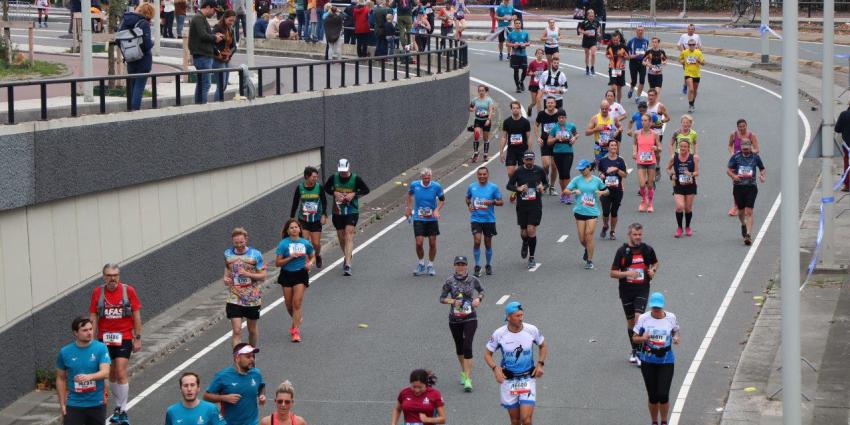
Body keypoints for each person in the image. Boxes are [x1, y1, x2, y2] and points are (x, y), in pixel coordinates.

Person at [88, 264, 142, 425]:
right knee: (110, 374)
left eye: (115, 275)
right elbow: (93, 316)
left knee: (120, 371)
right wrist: (91, 339)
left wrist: (137, 338)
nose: (112, 278)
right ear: (104, 277)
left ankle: (123, 410)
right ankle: (118, 407)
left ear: (119, 276)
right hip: (104, 339)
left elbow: (136, 315)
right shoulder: (98, 292)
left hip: (124, 337)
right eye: (109, 275)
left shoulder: (128, 291)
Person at [484, 301, 547, 425]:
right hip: (509, 380)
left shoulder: (531, 330)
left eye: (522, 315)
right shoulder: (499, 334)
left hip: (527, 378)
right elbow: (487, 354)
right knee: (515, 420)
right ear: (508, 317)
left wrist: (540, 364)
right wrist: (495, 369)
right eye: (517, 316)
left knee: (526, 420)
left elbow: (543, 345)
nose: (521, 318)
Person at [610, 222, 659, 365]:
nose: (638, 237)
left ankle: (641, 352)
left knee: (639, 318)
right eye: (635, 234)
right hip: (626, 291)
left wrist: (653, 270)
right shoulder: (622, 252)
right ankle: (635, 350)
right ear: (629, 235)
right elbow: (612, 273)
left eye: (640, 234)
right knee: (631, 322)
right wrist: (627, 274)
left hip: (642, 288)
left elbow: (656, 263)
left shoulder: (647, 249)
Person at [632, 292, 680, 425]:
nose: (656, 310)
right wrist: (643, 338)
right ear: (650, 306)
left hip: (666, 360)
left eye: (658, 307)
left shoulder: (671, 317)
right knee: (653, 396)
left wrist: (676, 337)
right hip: (648, 360)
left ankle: (664, 421)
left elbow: (675, 330)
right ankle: (654, 422)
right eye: (654, 307)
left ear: (662, 306)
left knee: (663, 395)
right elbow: (634, 338)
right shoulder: (643, 318)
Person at [440, 256, 484, 392]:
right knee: (459, 347)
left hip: (470, 317)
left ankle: (468, 379)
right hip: (455, 318)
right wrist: (453, 301)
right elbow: (442, 298)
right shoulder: (449, 281)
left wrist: (478, 299)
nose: (460, 267)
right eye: (458, 264)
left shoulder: (473, 279)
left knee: (467, 346)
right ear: (454, 266)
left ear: (466, 266)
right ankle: (464, 371)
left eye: (463, 264)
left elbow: (482, 291)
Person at [56, 317, 111, 425]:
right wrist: (62, 404)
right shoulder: (65, 352)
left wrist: (89, 377)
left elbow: (105, 372)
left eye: (91, 329)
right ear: (76, 333)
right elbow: (60, 378)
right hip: (74, 404)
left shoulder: (101, 348)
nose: (89, 333)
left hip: (97, 403)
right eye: (85, 330)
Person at [324, 158, 370, 276]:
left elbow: (366, 190)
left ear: (349, 168)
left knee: (348, 235)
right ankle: (347, 255)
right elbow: (326, 188)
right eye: (341, 171)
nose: (343, 173)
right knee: (341, 237)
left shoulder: (356, 179)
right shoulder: (333, 178)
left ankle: (348, 264)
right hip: (337, 212)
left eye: (345, 170)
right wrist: (334, 192)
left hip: (351, 211)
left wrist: (354, 194)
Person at [223, 227, 267, 349]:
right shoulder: (228, 253)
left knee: (251, 330)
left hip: (252, 298)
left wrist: (248, 274)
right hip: (234, 297)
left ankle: (250, 354)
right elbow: (227, 271)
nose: (239, 245)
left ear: (246, 239)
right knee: (237, 331)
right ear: (232, 241)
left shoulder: (256, 254)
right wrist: (226, 279)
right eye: (236, 243)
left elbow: (263, 276)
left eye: (241, 242)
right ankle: (237, 358)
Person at [204, 344, 266, 425]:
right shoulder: (223, 376)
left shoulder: (256, 373)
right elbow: (206, 396)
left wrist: (262, 395)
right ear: (237, 358)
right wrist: (224, 398)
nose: (252, 359)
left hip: (252, 422)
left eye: (253, 356)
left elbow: (261, 386)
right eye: (248, 356)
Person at [275, 219, 315, 342]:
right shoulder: (283, 244)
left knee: (296, 303)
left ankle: (295, 331)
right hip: (287, 274)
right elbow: (277, 263)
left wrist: (310, 263)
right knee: (289, 305)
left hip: (300, 274)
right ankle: (297, 318)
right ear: (287, 231)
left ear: (299, 229)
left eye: (296, 227)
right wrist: (290, 257)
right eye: (291, 228)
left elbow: (312, 255)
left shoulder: (305, 243)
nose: (294, 229)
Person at [506, 151, 547, 269]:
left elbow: (546, 183)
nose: (529, 161)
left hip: (535, 205)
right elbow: (509, 185)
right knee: (524, 232)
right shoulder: (518, 171)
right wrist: (518, 188)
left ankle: (531, 257)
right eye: (527, 159)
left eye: (531, 159)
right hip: (522, 205)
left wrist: (542, 187)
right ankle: (525, 242)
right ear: (523, 160)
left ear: (534, 160)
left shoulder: (539, 170)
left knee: (531, 229)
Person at [566, 159, 608, 269]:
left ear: (589, 167)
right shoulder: (576, 180)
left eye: (583, 169)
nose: (581, 171)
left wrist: (601, 192)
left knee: (589, 235)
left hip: (592, 211)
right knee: (582, 239)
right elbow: (565, 191)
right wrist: (573, 191)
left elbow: (607, 190)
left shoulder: (596, 180)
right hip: (580, 211)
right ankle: (587, 248)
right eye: (580, 170)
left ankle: (589, 261)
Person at [406, 168, 446, 276]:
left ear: (431, 177)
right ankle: (421, 264)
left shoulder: (436, 186)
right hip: (418, 218)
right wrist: (408, 208)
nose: (427, 180)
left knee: (432, 243)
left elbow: (442, 200)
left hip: (432, 219)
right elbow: (409, 195)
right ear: (421, 178)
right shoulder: (415, 185)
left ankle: (430, 265)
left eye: (428, 178)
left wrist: (436, 210)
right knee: (419, 243)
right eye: (425, 178)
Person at [727, 140, 766, 246]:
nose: (745, 150)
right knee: (741, 211)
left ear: (750, 147)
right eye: (743, 149)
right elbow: (728, 170)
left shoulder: (755, 157)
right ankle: (743, 224)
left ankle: (748, 235)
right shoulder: (736, 157)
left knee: (749, 211)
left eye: (747, 148)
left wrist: (762, 175)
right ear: (741, 148)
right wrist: (734, 176)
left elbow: (762, 168)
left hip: (751, 187)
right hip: (738, 187)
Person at [466, 166, 503, 277]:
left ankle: (488, 265)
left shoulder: (493, 187)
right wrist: (469, 205)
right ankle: (477, 266)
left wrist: (492, 202)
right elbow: (467, 198)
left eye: (484, 174)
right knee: (477, 241)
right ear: (477, 175)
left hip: (489, 220)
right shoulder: (472, 187)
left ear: (488, 175)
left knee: (487, 243)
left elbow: (501, 202)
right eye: (480, 174)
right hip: (476, 219)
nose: (482, 176)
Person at [289, 166, 327, 268]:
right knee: (303, 243)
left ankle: (317, 255)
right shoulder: (300, 188)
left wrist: (324, 214)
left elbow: (324, 201)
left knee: (316, 244)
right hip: (303, 220)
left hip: (316, 219)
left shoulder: (319, 187)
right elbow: (295, 203)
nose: (315, 179)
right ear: (307, 176)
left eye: (316, 177)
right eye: (313, 177)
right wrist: (292, 218)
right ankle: (305, 264)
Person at [119, 3, 154, 111]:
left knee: (132, 85)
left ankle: (129, 108)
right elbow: (147, 44)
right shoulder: (144, 23)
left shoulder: (126, 21)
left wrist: (127, 51)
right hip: (143, 60)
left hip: (130, 57)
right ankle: (134, 110)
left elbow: (118, 39)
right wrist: (152, 43)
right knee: (139, 86)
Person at [189, 0, 223, 104]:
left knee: (201, 83)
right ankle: (202, 106)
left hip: (202, 55)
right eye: (214, 10)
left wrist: (214, 36)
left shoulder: (200, 17)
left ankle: (198, 106)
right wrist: (215, 38)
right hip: (202, 55)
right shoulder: (199, 18)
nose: (214, 13)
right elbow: (203, 35)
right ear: (208, 7)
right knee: (205, 84)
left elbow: (203, 35)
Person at [727, 119, 762, 215]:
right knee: (736, 183)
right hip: (737, 162)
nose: (742, 128)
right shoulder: (733, 134)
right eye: (740, 126)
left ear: (746, 126)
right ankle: (735, 206)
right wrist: (732, 153)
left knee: (748, 184)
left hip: (748, 162)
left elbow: (757, 149)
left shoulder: (751, 135)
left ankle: (747, 205)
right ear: (737, 127)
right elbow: (729, 145)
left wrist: (748, 150)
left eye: (744, 126)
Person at [668, 139, 699, 237]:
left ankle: (688, 227)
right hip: (678, 185)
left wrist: (691, 174)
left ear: (688, 148)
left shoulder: (693, 158)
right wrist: (672, 175)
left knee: (688, 209)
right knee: (679, 207)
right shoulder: (674, 158)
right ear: (678, 147)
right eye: (681, 146)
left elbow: (697, 172)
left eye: (685, 146)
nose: (683, 148)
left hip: (690, 186)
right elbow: (668, 169)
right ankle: (679, 228)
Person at [547, 107, 577, 204]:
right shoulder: (554, 128)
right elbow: (548, 142)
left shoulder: (571, 126)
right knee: (561, 174)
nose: (561, 119)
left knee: (566, 173)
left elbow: (576, 134)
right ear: (557, 118)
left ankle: (567, 195)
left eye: (563, 117)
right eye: (559, 118)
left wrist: (574, 138)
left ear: (565, 117)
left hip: (568, 152)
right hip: (557, 153)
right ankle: (564, 193)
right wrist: (555, 139)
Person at [500, 100, 532, 191]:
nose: (515, 110)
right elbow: (504, 137)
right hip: (511, 150)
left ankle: (521, 188)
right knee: (510, 172)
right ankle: (514, 187)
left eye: (517, 108)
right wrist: (501, 152)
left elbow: (529, 137)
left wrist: (529, 151)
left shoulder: (525, 122)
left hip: (523, 150)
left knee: (522, 172)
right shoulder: (507, 122)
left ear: (520, 109)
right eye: (513, 108)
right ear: (511, 109)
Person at [598, 140, 627, 240]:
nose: (614, 147)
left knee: (614, 212)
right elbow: (600, 172)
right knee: (606, 211)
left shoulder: (620, 160)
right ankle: (605, 225)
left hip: (617, 190)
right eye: (612, 145)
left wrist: (617, 170)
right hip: (605, 190)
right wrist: (601, 175)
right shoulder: (603, 160)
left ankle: (612, 231)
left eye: (615, 145)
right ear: (608, 147)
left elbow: (625, 175)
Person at [633, 113, 662, 213]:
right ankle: (643, 201)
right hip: (641, 161)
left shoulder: (654, 134)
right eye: (642, 120)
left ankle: (650, 203)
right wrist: (634, 152)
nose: (643, 122)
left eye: (645, 120)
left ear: (650, 122)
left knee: (650, 185)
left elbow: (660, 147)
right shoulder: (637, 133)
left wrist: (656, 148)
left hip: (651, 161)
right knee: (642, 184)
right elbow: (634, 144)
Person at [534, 96, 559, 195]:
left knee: (554, 166)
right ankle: (545, 180)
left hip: (556, 142)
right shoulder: (541, 114)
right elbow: (536, 125)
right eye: (548, 103)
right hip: (544, 142)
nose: (550, 104)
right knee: (545, 165)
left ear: (555, 104)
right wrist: (538, 137)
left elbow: (563, 125)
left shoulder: (559, 113)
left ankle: (552, 187)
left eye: (552, 103)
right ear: (546, 104)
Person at [585, 100, 620, 167]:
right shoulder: (595, 118)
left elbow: (620, 127)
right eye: (602, 109)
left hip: (610, 147)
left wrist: (618, 130)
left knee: (612, 166)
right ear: (600, 108)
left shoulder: (613, 118)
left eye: (606, 109)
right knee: (600, 167)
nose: (604, 110)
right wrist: (595, 129)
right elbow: (586, 132)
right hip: (599, 148)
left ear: (609, 108)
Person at [212, 10, 237, 102]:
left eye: (233, 21)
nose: (231, 22)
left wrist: (230, 54)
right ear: (225, 18)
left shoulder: (231, 29)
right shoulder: (217, 27)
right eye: (230, 20)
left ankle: (218, 102)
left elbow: (234, 46)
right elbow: (211, 43)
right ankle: (217, 104)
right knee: (221, 85)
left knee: (224, 85)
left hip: (227, 58)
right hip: (218, 59)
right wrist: (218, 53)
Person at [469, 85, 495, 163]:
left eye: (482, 90)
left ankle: (485, 154)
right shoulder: (475, 100)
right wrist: (472, 109)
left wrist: (488, 119)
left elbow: (491, 110)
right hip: (478, 120)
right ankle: (476, 154)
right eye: (479, 91)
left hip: (486, 120)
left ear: (485, 91)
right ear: (478, 91)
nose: (481, 92)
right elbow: (470, 107)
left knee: (485, 138)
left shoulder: (489, 100)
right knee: (476, 135)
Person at [679, 39, 704, 113]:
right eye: (690, 45)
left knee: (695, 91)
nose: (691, 46)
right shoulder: (684, 52)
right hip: (688, 73)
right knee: (691, 89)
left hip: (696, 74)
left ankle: (692, 103)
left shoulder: (698, 52)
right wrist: (683, 61)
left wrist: (698, 60)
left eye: (693, 44)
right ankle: (690, 105)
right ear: (688, 45)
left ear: (695, 45)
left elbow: (703, 63)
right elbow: (680, 60)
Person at [676, 23, 702, 95]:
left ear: (694, 30)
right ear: (687, 29)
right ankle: (686, 85)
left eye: (692, 29)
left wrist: (698, 53)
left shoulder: (697, 36)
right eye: (689, 29)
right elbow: (679, 45)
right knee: (687, 72)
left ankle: (691, 86)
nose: (691, 30)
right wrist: (683, 52)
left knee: (694, 72)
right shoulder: (683, 36)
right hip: (687, 57)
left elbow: (699, 46)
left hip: (694, 56)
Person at [625, 26, 649, 101]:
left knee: (642, 80)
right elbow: (626, 52)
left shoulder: (646, 41)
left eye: (642, 30)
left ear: (644, 31)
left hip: (642, 63)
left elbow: (646, 52)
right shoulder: (631, 41)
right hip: (633, 62)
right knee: (634, 81)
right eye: (639, 30)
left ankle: (638, 97)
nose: (640, 32)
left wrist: (646, 60)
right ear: (636, 31)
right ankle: (632, 88)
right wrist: (630, 56)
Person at [506, 19, 530, 93]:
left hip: (523, 54)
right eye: (516, 23)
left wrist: (524, 44)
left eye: (519, 23)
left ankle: (521, 81)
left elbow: (528, 42)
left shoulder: (525, 33)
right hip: (515, 55)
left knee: (525, 69)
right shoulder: (511, 34)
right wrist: (514, 45)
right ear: (514, 24)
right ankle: (517, 86)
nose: (518, 24)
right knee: (516, 71)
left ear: (521, 24)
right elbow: (507, 43)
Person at [605, 31, 628, 103]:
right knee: (613, 87)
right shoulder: (610, 46)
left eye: (616, 40)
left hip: (621, 69)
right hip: (612, 68)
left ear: (619, 39)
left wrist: (623, 55)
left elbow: (628, 57)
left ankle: (619, 103)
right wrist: (609, 56)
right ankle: (613, 103)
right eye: (614, 40)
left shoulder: (623, 47)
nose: (615, 41)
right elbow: (606, 54)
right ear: (612, 39)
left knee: (619, 88)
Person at [577, 9, 600, 76]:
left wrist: (598, 32)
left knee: (593, 54)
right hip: (586, 40)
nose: (591, 17)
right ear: (587, 16)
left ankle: (592, 67)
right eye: (590, 16)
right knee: (587, 55)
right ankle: (587, 67)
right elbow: (579, 29)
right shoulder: (584, 22)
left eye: (592, 16)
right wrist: (585, 32)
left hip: (593, 40)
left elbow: (598, 27)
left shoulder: (596, 22)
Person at [525, 48, 548, 117]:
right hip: (533, 84)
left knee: (538, 99)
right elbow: (527, 73)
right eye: (538, 53)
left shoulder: (545, 63)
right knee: (534, 102)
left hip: (541, 85)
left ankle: (539, 117)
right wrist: (532, 73)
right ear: (536, 54)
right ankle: (530, 108)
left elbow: (547, 73)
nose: (539, 55)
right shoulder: (532, 63)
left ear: (542, 54)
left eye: (541, 53)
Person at [835, 107, 850, 192]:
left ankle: (848, 185)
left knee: (847, 163)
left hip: (847, 144)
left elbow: (837, 129)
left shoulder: (844, 114)